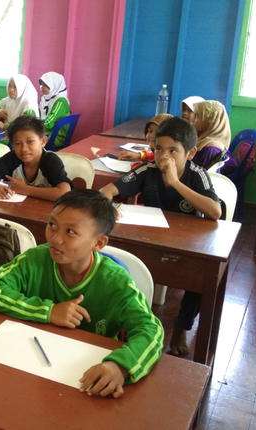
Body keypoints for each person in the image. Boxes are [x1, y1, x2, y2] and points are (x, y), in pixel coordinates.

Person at [0, 189, 164, 398]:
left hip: (86, 377)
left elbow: (152, 330)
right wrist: (48, 311)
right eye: (52, 225)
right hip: (33, 364)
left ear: (99, 243)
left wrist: (120, 366)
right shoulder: (36, 259)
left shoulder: (116, 282)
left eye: (71, 232)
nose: (55, 239)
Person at [99, 116, 221, 357]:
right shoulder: (148, 170)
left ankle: (182, 326)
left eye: (173, 150)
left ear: (190, 153)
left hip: (188, 245)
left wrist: (176, 182)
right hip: (151, 239)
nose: (164, 156)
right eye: (158, 149)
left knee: (198, 279)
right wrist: (107, 204)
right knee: (121, 264)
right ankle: (131, 320)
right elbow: (106, 191)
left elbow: (215, 211)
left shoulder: (197, 175)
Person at [0, 115, 71, 201]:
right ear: (12, 145)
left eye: (30, 141)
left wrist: (24, 189)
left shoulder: (51, 161)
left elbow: (64, 192)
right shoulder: (12, 158)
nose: (24, 149)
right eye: (17, 143)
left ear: (43, 141)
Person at [187, 100, 231, 169]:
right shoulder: (203, 139)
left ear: (209, 121)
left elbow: (198, 174)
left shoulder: (210, 149)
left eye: (197, 116)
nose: (194, 120)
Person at [38, 72, 70, 146]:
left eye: (45, 85)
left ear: (54, 85)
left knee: (29, 140)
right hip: (44, 132)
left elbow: (49, 123)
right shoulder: (44, 98)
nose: (41, 87)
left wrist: (33, 126)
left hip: (55, 137)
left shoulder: (61, 100)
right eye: (41, 84)